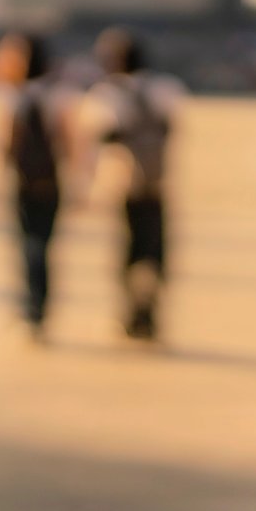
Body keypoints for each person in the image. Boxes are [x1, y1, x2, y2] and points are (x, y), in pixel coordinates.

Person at [0, 33, 76, 340]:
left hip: (22, 182)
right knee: (44, 244)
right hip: (52, 181)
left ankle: (31, 310)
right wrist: (82, 181)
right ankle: (40, 308)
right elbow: (71, 144)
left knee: (29, 244)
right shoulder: (59, 94)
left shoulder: (5, 96)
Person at [90, 27, 184, 342]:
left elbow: (100, 137)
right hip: (158, 181)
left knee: (128, 249)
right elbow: (174, 129)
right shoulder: (166, 88)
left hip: (122, 183)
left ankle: (131, 311)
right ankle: (150, 309)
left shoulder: (107, 94)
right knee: (154, 248)